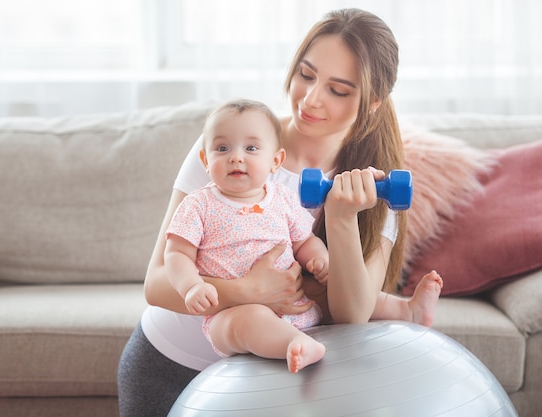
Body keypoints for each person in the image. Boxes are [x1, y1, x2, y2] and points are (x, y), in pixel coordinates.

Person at [118, 8, 443, 417]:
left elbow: (354, 314)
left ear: (373, 102)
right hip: (170, 365)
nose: (311, 99)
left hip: (276, 385)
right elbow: (157, 284)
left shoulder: (376, 185)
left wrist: (342, 219)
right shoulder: (234, 147)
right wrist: (247, 291)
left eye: (338, 90)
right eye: (306, 75)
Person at [164, 99, 328, 374]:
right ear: (205, 160)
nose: (235, 157)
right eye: (222, 148)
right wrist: (191, 286)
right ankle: (295, 344)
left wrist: (320, 259)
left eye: (251, 148)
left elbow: (305, 241)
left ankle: (405, 311)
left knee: (359, 294)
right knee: (249, 321)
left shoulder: (283, 199)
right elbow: (176, 253)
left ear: (275, 161)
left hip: (292, 308)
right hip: (232, 313)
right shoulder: (198, 204)